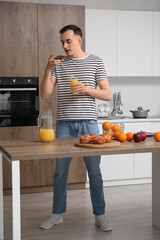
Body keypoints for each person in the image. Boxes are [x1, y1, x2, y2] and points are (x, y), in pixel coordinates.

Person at [40, 25, 112, 232]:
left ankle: (101, 215)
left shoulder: (96, 61)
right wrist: (48, 68)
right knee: (60, 172)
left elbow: (107, 94)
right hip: (64, 124)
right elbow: (45, 94)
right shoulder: (59, 63)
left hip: (88, 124)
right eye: (62, 42)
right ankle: (57, 214)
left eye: (68, 41)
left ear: (79, 40)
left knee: (94, 173)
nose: (64, 45)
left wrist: (87, 89)